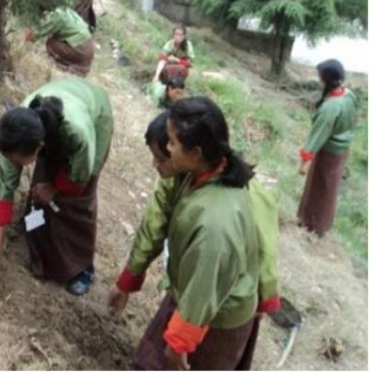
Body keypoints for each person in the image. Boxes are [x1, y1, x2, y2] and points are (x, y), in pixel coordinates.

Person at [109, 110, 281, 369]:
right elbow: (154, 229)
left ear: (193, 154)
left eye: (165, 152)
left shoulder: (220, 218)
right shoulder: (190, 176)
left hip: (220, 305)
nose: (156, 164)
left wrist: (265, 295)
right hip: (196, 293)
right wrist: (129, 279)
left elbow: (259, 251)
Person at [0, 77, 113, 296]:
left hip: (95, 117)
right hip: (58, 110)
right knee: (41, 187)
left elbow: (80, 177)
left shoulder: (77, 133)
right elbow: (4, 190)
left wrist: (55, 188)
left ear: (39, 147)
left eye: (19, 161)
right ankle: (40, 241)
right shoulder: (19, 129)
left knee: (74, 200)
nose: (14, 165)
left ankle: (81, 267)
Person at [297, 59, 358, 236]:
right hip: (342, 149)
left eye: (320, 76)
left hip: (329, 153)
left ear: (326, 79)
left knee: (319, 189)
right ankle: (321, 225)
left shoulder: (331, 107)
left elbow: (316, 137)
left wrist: (303, 163)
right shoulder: (348, 94)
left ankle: (312, 225)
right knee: (330, 189)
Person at [25, 5, 97, 77]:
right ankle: (78, 69)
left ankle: (64, 67)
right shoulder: (66, 10)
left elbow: (34, 35)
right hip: (89, 46)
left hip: (80, 49)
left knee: (51, 43)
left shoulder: (56, 15)